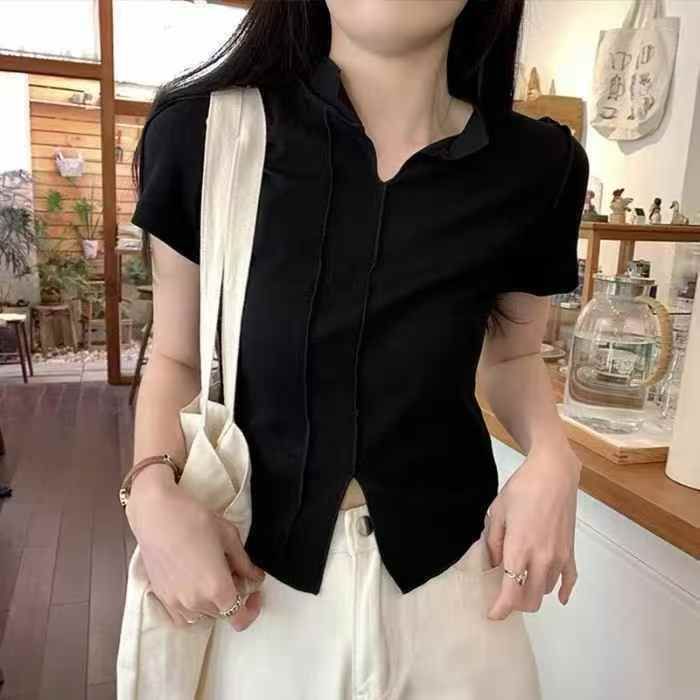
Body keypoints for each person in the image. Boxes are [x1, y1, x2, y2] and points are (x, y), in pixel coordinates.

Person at [124, 1, 587, 697]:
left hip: (456, 592)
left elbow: (513, 356)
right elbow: (177, 356)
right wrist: (151, 493)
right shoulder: (205, 132)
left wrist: (553, 454)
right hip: (256, 590)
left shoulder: (539, 167)